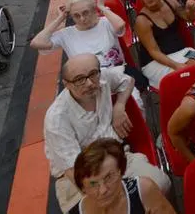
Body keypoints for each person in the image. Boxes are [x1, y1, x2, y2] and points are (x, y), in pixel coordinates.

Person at [43, 54, 170, 213]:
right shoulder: (57, 119)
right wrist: (107, 193)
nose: (89, 83)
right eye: (79, 79)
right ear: (66, 84)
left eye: (93, 74)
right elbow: (73, 170)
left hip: (115, 157)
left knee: (161, 184)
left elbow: (128, 80)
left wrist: (120, 106)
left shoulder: (103, 80)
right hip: (82, 176)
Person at [133, 0, 195, 89]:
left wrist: (191, 9)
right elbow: (154, 51)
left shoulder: (170, 2)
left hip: (181, 51)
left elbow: (189, 18)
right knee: (188, 77)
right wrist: (177, 66)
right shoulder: (142, 20)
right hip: (155, 61)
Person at [30, 0, 127, 71]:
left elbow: (120, 25)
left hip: (117, 76)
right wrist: (61, 18)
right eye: (76, 15)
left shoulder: (105, 23)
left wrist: (101, 7)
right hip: (88, 86)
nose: (82, 19)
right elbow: (36, 43)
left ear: (93, 10)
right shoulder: (66, 34)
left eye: (85, 13)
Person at [72, 138, 175, 214]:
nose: (103, 190)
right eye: (93, 184)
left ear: (121, 172)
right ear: (83, 188)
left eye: (109, 177)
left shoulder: (144, 190)